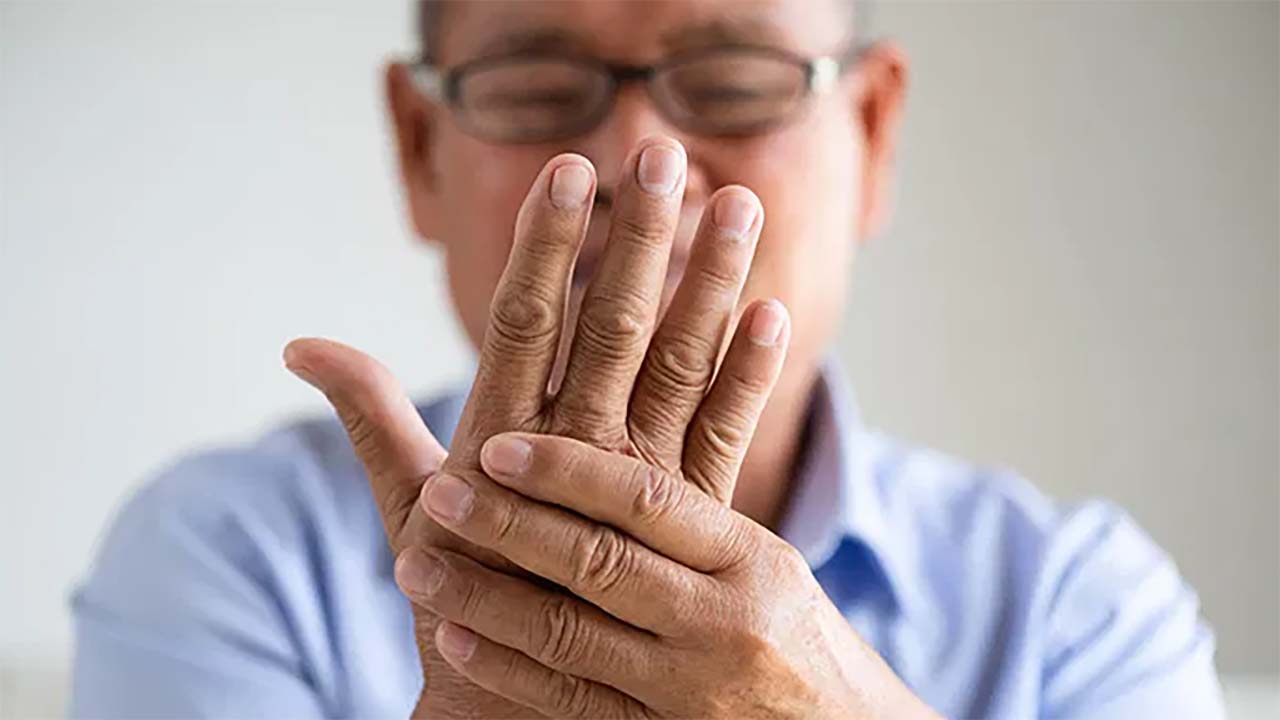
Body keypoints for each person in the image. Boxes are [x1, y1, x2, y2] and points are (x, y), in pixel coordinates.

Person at [70, 1, 1226, 717]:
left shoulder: (1077, 603)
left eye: (731, 84)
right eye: (534, 90)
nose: (639, 158)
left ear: (871, 134)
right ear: (418, 148)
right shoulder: (233, 554)